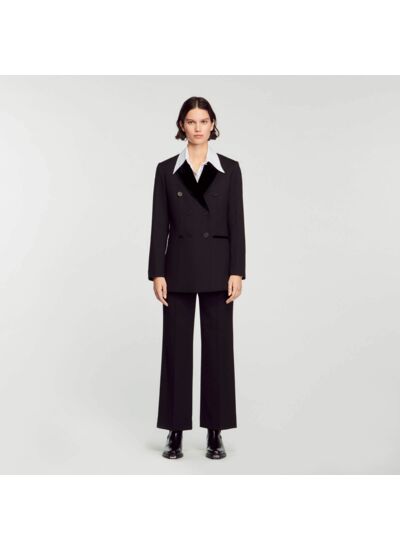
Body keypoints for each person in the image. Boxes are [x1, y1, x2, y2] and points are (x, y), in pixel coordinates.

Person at [148, 96, 246, 459]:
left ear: (213, 124)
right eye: (191, 121)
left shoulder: (230, 169)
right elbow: (159, 224)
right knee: (175, 349)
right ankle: (174, 430)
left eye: (204, 121)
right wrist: (157, 271)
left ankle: (215, 431)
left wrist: (237, 270)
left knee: (218, 350)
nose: (198, 127)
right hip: (178, 268)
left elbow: (237, 222)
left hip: (219, 269)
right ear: (182, 126)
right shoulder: (165, 170)